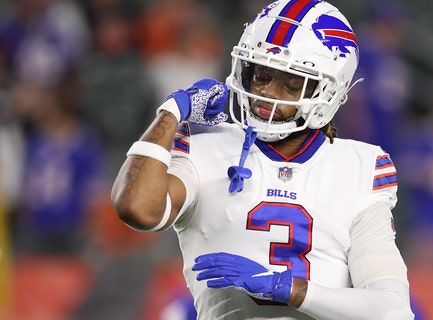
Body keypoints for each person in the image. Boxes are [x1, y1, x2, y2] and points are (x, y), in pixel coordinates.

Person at [111, 1, 414, 319]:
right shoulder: (204, 147)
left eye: (291, 83)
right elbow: (136, 208)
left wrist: (287, 287)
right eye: (261, 75)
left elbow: (392, 310)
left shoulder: (360, 167)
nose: (268, 93)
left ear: (328, 91)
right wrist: (171, 111)